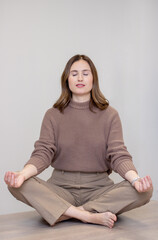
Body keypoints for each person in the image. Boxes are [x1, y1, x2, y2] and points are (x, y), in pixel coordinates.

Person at [4, 54, 153, 229]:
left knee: (145, 192)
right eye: (74, 74)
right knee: (17, 185)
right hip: (61, 188)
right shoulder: (52, 115)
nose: (80, 78)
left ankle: (66, 213)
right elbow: (43, 153)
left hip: (99, 189)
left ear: (93, 79)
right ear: (67, 79)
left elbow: (118, 156)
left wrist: (136, 181)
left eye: (85, 73)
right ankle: (87, 216)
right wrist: (21, 175)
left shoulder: (110, 115)